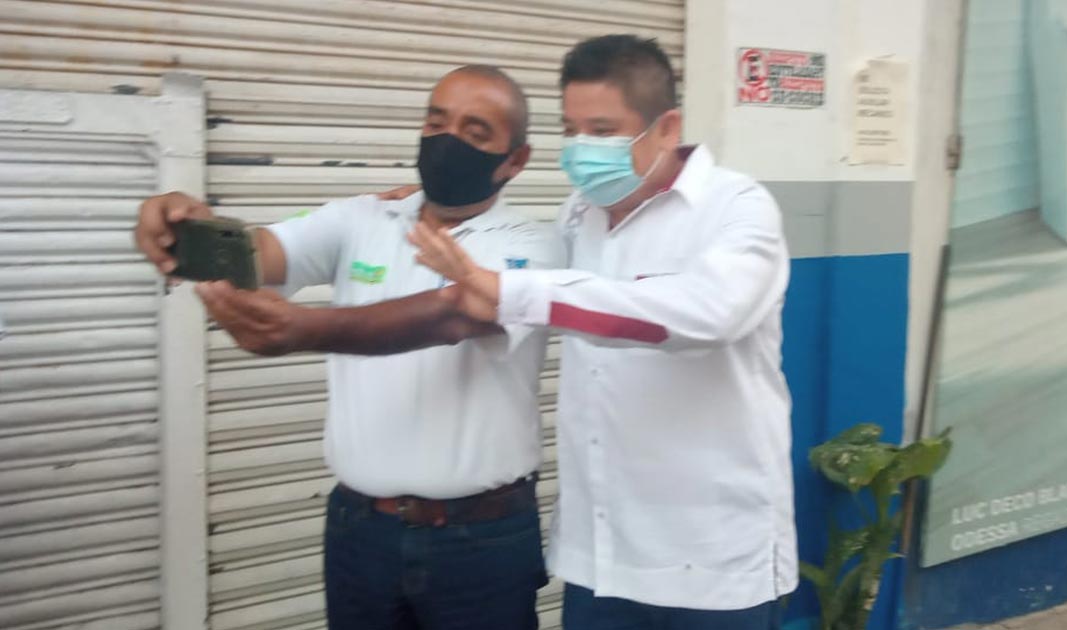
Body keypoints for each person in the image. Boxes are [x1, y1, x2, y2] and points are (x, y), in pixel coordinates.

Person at [285, 35, 799, 629]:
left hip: (713, 564)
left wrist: (509, 291)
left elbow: (710, 313)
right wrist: (416, 203)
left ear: (667, 128)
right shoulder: (579, 216)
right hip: (601, 559)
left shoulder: (736, 208)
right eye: (571, 129)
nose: (583, 149)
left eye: (603, 130)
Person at [133, 65, 561, 630]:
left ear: (515, 160)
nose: (447, 141)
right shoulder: (362, 218)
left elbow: (456, 314)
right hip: (361, 532)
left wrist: (307, 329)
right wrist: (185, 227)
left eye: (475, 132)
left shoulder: (534, 245)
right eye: (436, 123)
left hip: (480, 541)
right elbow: (258, 253)